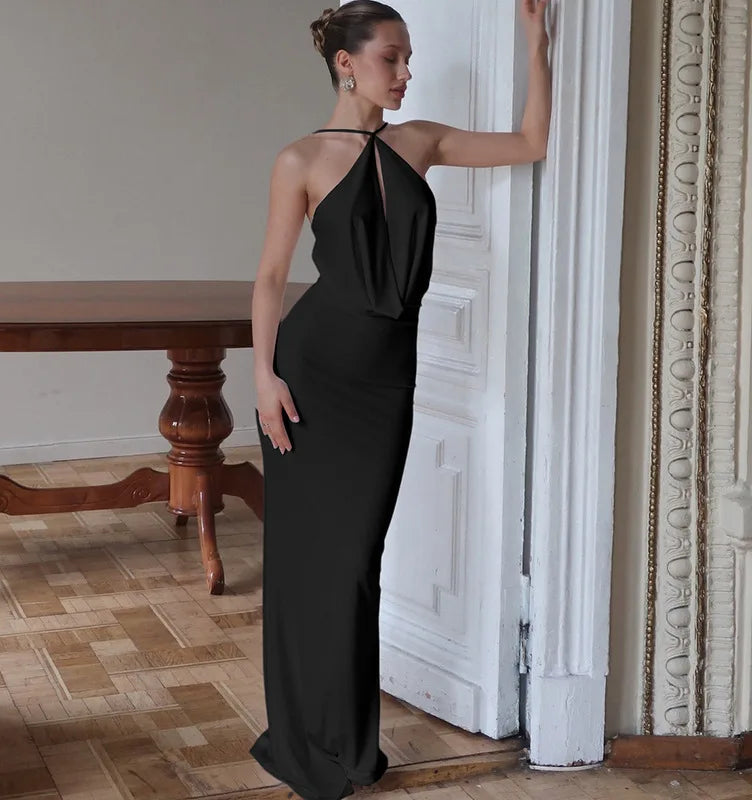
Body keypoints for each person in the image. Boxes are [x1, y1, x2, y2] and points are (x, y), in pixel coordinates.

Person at [248, 2, 550, 799]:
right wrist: (263, 378)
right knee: (309, 564)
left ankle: (346, 742)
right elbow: (273, 278)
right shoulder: (300, 159)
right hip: (309, 377)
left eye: (409, 57)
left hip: (384, 384)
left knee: (355, 564)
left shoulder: (423, 142)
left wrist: (536, 44)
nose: (407, 72)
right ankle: (313, 743)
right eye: (392, 58)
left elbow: (532, 144)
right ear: (347, 65)